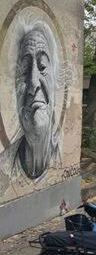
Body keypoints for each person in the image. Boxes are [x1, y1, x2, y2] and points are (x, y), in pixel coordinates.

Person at [0, 21, 61, 187]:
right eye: (25, 70)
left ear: (55, 81)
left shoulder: (65, 155)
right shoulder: (3, 167)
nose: (34, 84)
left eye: (42, 67)